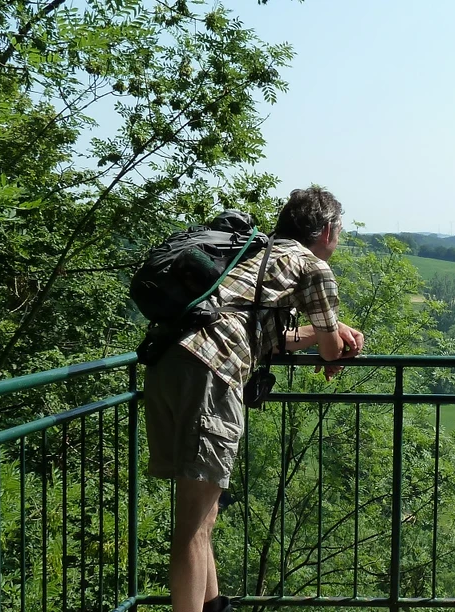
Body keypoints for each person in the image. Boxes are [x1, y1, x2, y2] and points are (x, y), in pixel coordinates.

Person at [143, 187, 365, 612]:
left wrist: (330, 334)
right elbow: (330, 351)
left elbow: (272, 337)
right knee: (193, 520)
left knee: (204, 512)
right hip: (211, 370)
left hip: (170, 360)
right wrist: (338, 339)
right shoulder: (312, 265)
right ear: (329, 230)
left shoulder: (257, 253)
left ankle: (214, 607)